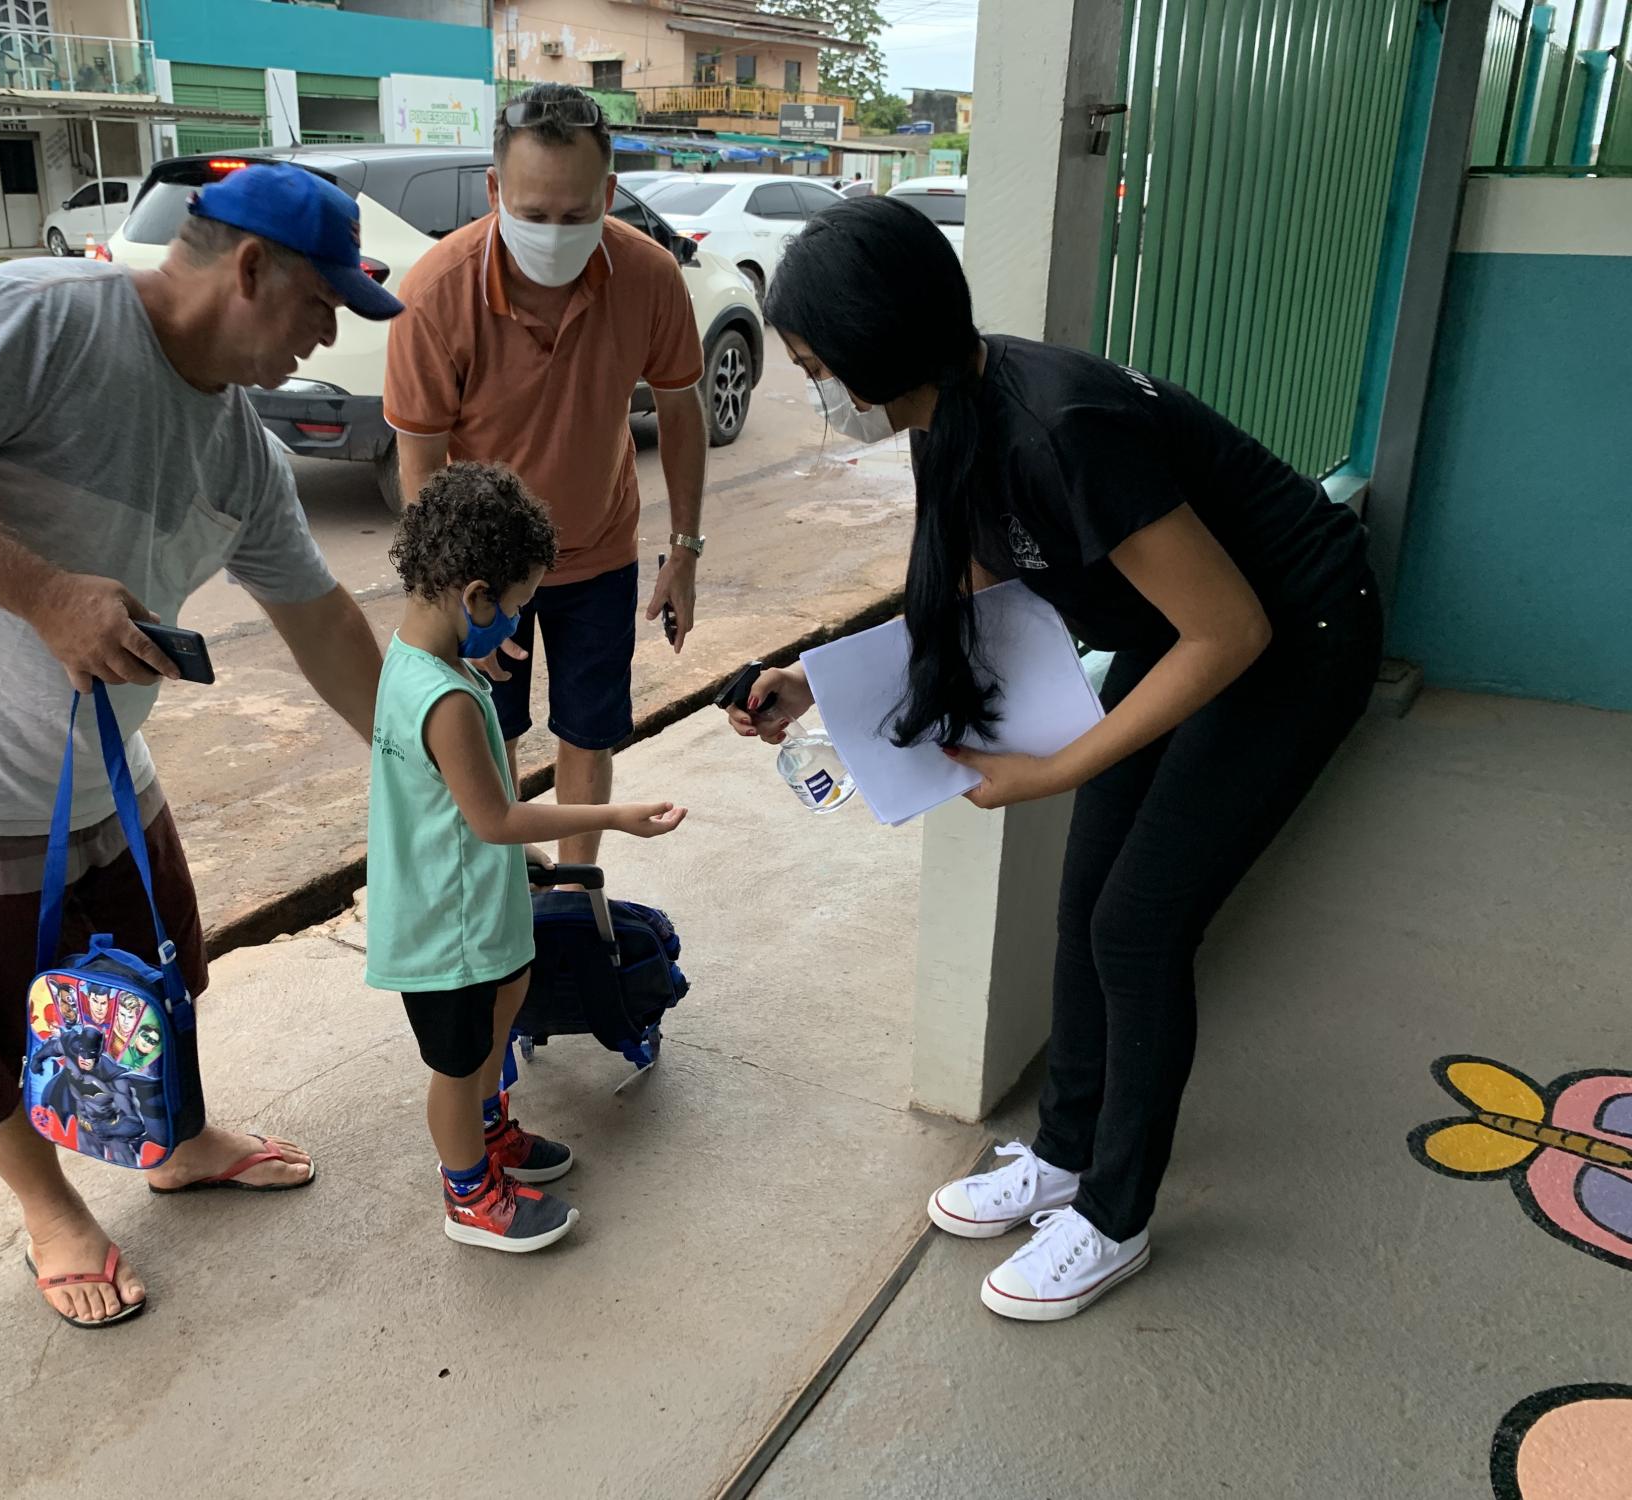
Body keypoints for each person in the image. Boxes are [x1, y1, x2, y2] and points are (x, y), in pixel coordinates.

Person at [729, 198, 1380, 1322]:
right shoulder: (951, 415)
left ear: (876, 345)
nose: (815, 394)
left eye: (814, 366)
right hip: (1179, 635)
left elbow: (1230, 633)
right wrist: (821, 686)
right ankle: (1065, 1151)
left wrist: (1055, 769)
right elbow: (974, 605)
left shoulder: (1059, 425)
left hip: (1290, 635)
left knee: (1137, 925)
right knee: (1084, 903)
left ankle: (1113, 1217)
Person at [0, 163, 399, 1328]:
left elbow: (323, 623)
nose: (325, 336)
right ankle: (49, 1210)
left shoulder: (240, 450)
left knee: (160, 956)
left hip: (94, 756)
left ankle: (171, 1137)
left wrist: (423, 758)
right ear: (252, 269)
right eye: (321, 306)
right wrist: (48, 596)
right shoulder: (41, 312)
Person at [383, 81, 708, 875]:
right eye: (532, 215)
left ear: (608, 192)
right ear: (495, 190)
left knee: (589, 731)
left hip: (598, 551)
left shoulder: (649, 275)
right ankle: (505, 890)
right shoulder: (435, 292)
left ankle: (572, 886)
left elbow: (683, 411)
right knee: (487, 734)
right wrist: (459, 595)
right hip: (486, 572)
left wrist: (686, 551)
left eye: (575, 215)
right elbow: (420, 466)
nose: (554, 235)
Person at [366, 461, 685, 1252]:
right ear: (474, 596)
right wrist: (618, 814)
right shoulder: (443, 700)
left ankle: (489, 1135)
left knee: (503, 1010)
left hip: (478, 906)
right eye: (514, 608)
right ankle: (467, 1191)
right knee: (460, 1057)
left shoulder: (426, 665)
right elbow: (495, 816)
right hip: (449, 927)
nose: (514, 624)